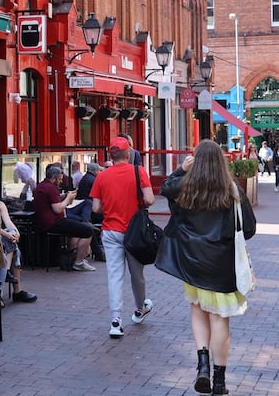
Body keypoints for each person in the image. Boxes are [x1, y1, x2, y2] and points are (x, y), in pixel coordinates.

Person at [156, 140, 256, 395]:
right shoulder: (231, 190)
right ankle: (219, 382)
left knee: (198, 309)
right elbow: (249, 228)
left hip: (192, 262)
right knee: (219, 318)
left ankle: (202, 366)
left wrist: (181, 169)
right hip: (222, 264)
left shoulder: (185, 187)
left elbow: (165, 188)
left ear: (196, 161)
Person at [90, 137, 156, 338]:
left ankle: (116, 320)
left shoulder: (102, 176)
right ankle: (140, 307)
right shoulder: (139, 171)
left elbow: (96, 208)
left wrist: (112, 206)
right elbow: (150, 199)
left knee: (114, 275)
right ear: (128, 154)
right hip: (134, 231)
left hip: (111, 231)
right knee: (137, 274)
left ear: (111, 156)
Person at [34, 164, 95, 272]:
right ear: (53, 178)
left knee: (78, 227)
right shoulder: (51, 188)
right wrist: (68, 198)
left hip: (45, 222)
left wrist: (64, 196)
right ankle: (79, 262)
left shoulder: (42, 185)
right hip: (53, 222)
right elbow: (57, 209)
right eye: (59, 179)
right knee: (88, 231)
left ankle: (71, 257)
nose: (61, 181)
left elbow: (51, 201)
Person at [0, 177, 37, 302]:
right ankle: (16, 289)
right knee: (12, 245)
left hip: (0, 239)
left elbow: (8, 222)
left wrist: (16, 232)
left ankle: (1, 289)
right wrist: (7, 234)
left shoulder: (0, 204)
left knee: (12, 240)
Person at [69, 162, 105, 262]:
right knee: (89, 227)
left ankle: (98, 251)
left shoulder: (85, 178)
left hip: (86, 210)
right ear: (95, 171)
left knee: (88, 227)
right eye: (99, 170)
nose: (99, 172)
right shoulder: (93, 180)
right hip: (90, 211)